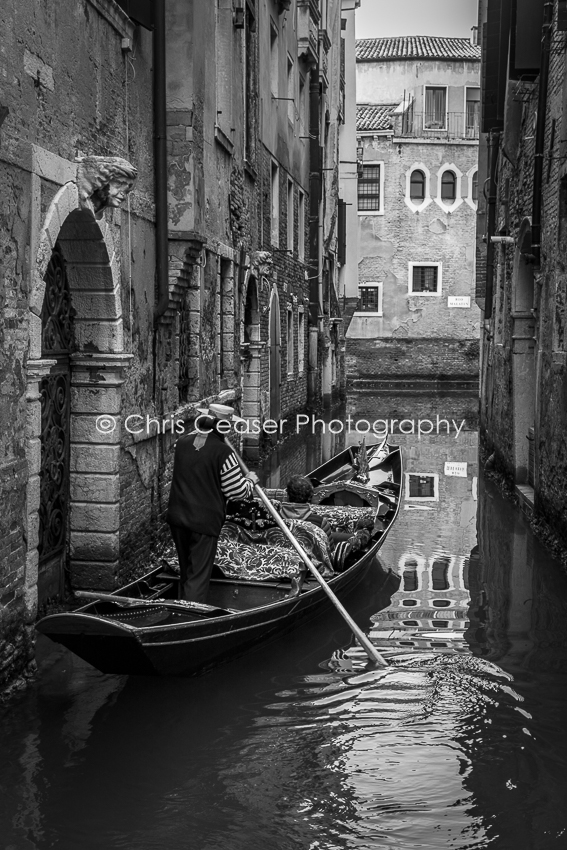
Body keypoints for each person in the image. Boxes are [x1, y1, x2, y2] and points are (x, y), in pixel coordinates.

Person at [166, 403, 259, 603]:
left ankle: (181, 607)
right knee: (198, 576)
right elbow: (237, 492)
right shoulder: (224, 453)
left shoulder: (182, 442)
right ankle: (190, 615)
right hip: (204, 522)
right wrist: (250, 480)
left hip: (177, 517)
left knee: (186, 570)